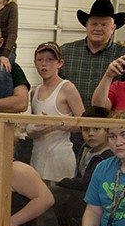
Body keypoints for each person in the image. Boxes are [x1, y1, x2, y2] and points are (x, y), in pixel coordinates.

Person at [27, 41, 85, 182]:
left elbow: (83, 123)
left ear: (60, 63)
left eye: (50, 60)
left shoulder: (67, 88)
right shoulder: (34, 91)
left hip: (60, 156)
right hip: (38, 156)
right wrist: (32, 129)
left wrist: (56, 125)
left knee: (60, 199)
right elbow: (30, 126)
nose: (44, 64)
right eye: (39, 60)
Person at [51, 106, 112, 226]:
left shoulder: (108, 155)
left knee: (55, 194)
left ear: (107, 130)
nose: (90, 134)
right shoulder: (85, 149)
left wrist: (63, 182)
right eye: (86, 129)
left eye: (96, 129)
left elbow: (86, 182)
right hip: (82, 195)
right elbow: (79, 176)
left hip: (97, 201)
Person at [60, 0, 125, 109]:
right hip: (69, 121)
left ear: (113, 28)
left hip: (109, 123)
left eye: (104, 25)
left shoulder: (123, 56)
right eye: (94, 24)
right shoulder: (65, 52)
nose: (98, 29)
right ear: (87, 25)